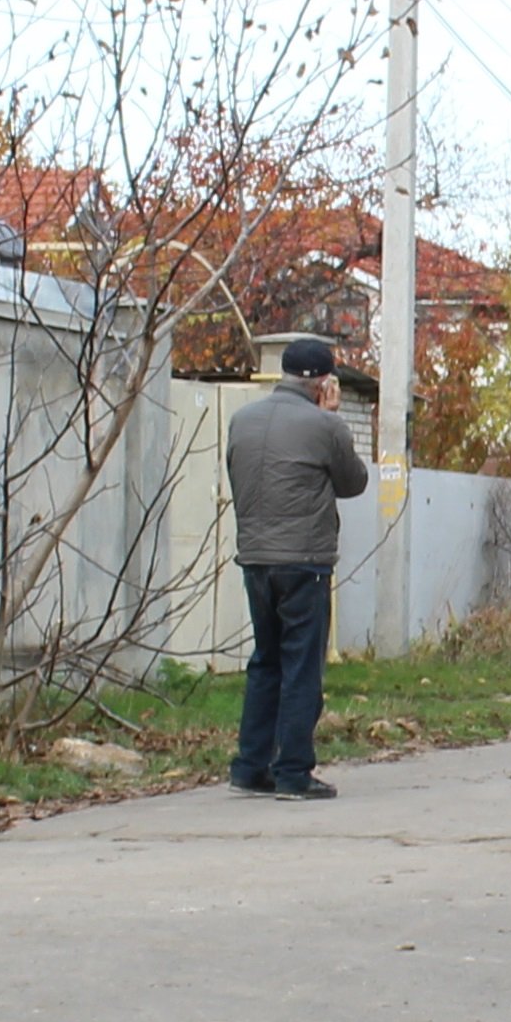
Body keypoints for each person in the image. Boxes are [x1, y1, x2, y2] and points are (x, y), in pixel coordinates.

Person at [225, 336, 373, 800]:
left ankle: (250, 767)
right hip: (304, 561)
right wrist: (331, 420)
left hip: (255, 557)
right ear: (324, 382)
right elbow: (353, 482)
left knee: (265, 662)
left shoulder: (241, 420)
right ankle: (292, 771)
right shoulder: (323, 425)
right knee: (301, 667)